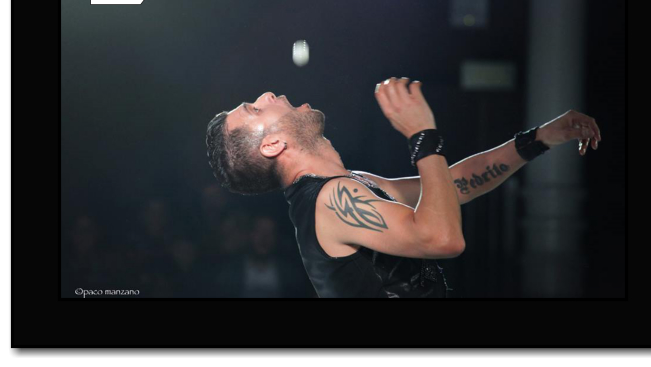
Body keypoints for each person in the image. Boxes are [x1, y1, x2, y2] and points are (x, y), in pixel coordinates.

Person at [205, 77, 601, 298]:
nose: (266, 95)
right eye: (255, 108)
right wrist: (422, 135)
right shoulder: (329, 201)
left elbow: (455, 185)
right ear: (272, 145)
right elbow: (443, 238)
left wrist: (540, 138)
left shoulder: (347, 185)